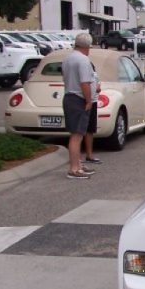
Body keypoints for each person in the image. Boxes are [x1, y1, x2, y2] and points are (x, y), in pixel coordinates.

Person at [61, 33, 98, 179]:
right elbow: (85, 83)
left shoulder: (68, 59)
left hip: (69, 96)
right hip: (78, 99)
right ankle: (74, 168)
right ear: (87, 46)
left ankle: (79, 164)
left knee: (79, 134)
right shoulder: (83, 60)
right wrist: (89, 100)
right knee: (77, 135)